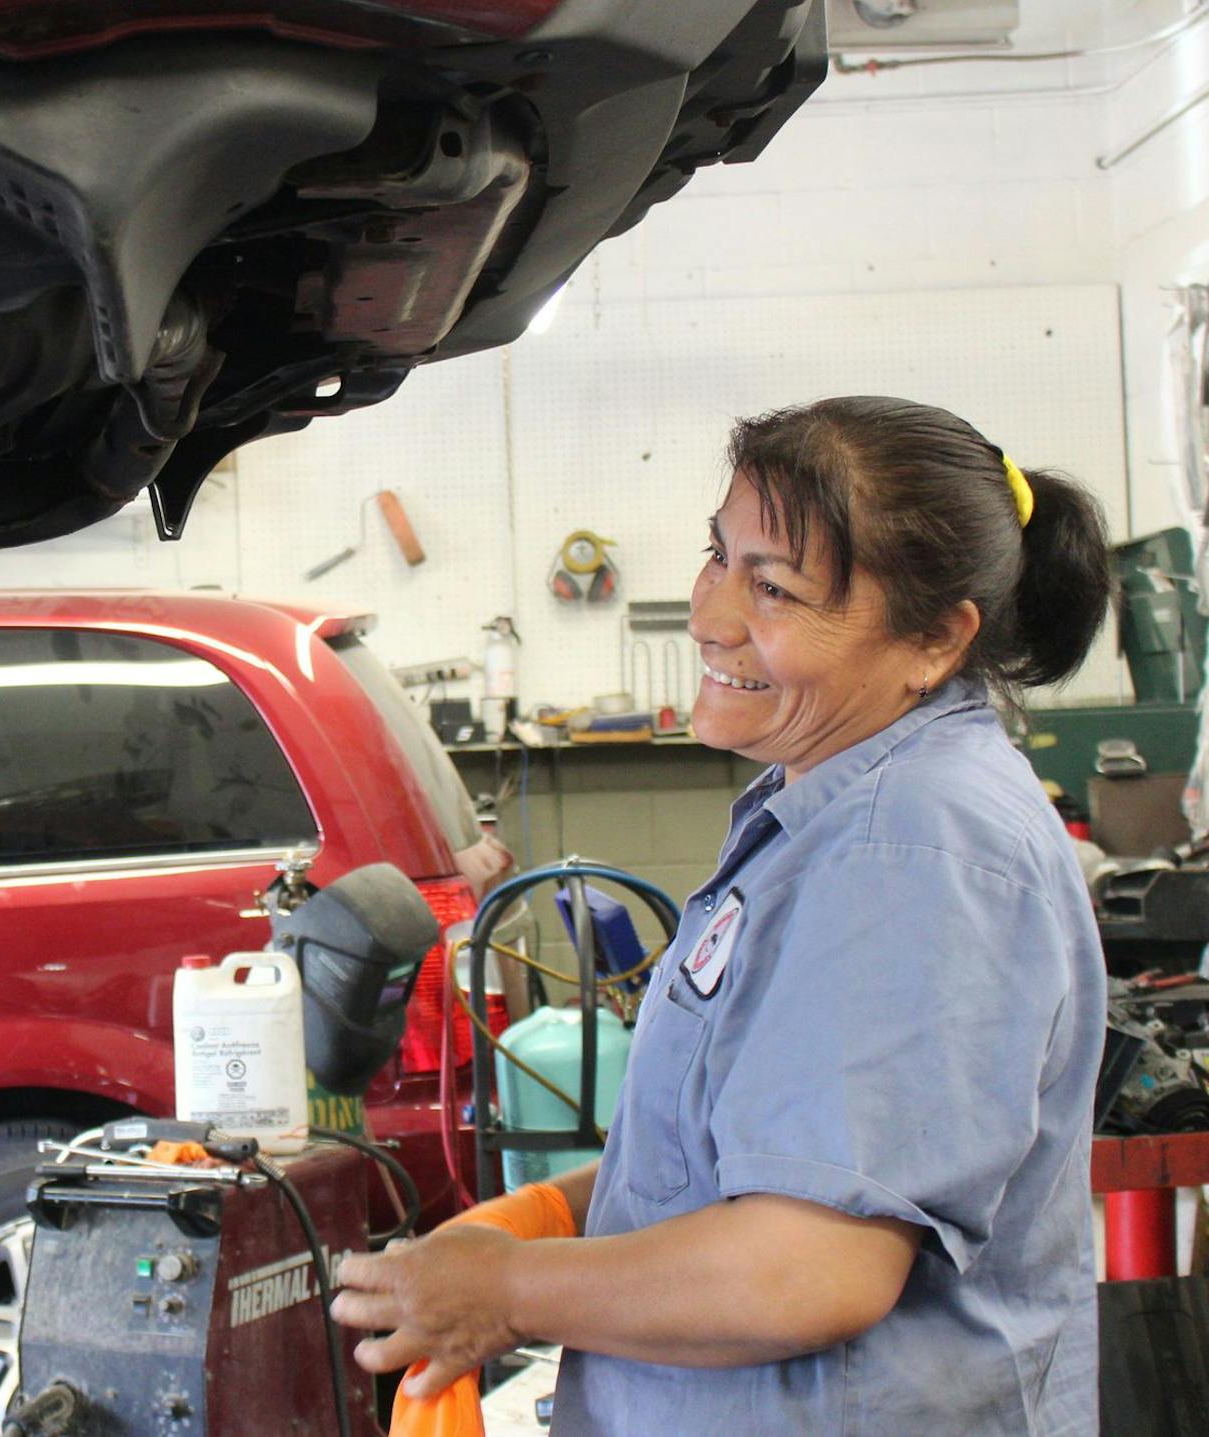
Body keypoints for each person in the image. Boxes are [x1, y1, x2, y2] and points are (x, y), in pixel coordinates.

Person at [332, 396, 1112, 1436]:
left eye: (775, 588)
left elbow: (808, 1269)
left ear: (933, 639)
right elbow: (760, 1149)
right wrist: (558, 1215)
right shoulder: (843, 803)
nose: (709, 616)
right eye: (719, 556)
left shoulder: (913, 847)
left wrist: (511, 1292)